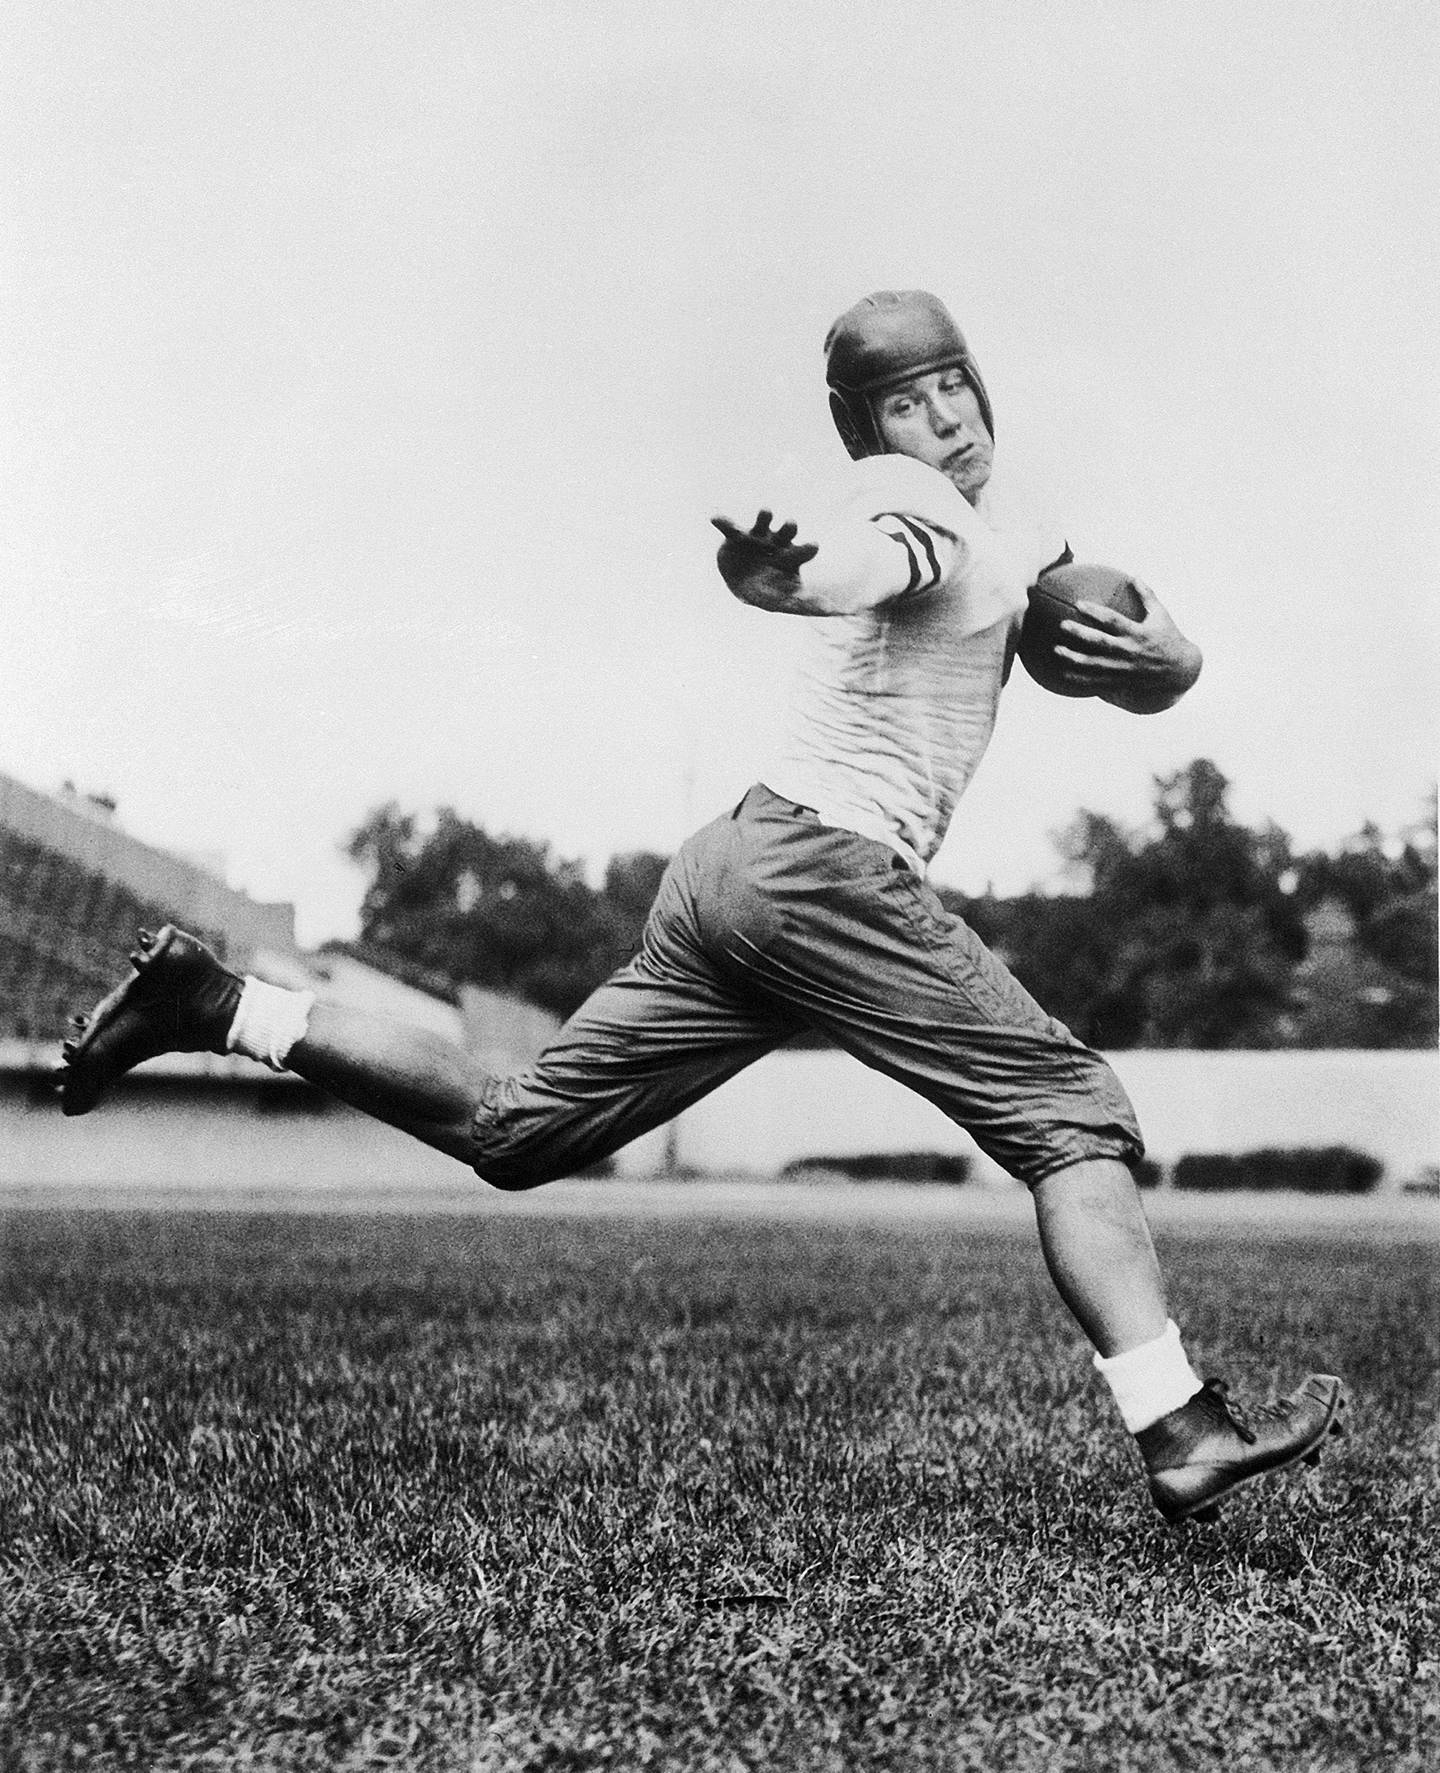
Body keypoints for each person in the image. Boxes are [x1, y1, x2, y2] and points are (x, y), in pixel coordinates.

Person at [58, 289, 1344, 1524]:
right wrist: (775, 583)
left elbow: (1103, 644)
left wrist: (1175, 662)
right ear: (869, 434)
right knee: (1074, 1117)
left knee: (517, 1135)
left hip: (737, 865)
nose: (947, 419)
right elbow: (855, 562)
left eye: (956, 386)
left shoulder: (1009, 520)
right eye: (909, 405)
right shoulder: (907, 504)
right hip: (824, 871)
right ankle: (1177, 1427)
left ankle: (222, 1002)